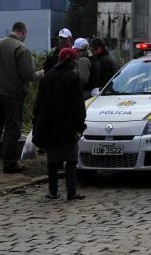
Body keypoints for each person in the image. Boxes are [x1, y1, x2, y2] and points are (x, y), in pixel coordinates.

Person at [0, 22, 44, 173]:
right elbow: (28, 75)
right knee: (12, 129)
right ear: (23, 32)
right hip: (12, 95)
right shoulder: (21, 49)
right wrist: (42, 73)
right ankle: (9, 163)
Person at [33, 48, 86, 201]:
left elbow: (38, 103)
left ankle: (53, 191)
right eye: (74, 60)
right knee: (70, 160)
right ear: (68, 60)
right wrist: (79, 126)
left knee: (52, 160)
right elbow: (78, 106)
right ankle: (71, 192)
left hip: (49, 125)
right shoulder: (72, 78)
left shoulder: (47, 77)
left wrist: (37, 124)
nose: (76, 62)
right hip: (67, 126)